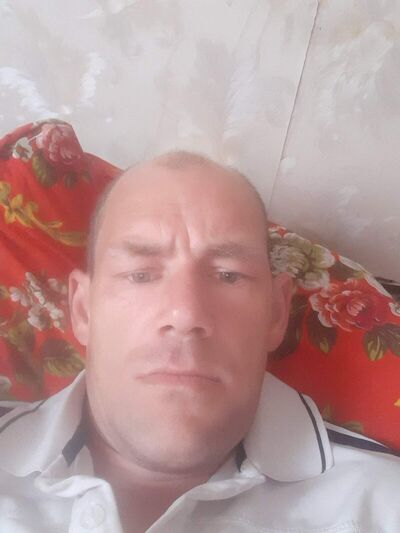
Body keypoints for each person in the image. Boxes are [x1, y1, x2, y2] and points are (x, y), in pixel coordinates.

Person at [0, 151, 399, 533]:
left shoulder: (382, 505)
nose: (185, 314)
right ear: (83, 310)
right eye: (140, 274)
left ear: (276, 313)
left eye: (228, 275)